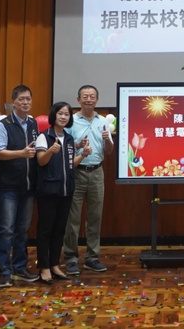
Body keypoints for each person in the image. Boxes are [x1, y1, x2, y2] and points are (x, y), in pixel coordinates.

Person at [0, 84, 40, 287]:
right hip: (8, 187)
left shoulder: (33, 123)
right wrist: (21, 153)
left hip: (29, 186)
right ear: (13, 102)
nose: (25, 102)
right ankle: (4, 271)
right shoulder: (3, 125)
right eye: (21, 99)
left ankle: (20, 268)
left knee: (23, 230)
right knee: (6, 230)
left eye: (28, 99)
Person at [37, 102, 90, 283]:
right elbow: (41, 161)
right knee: (46, 230)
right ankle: (44, 267)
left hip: (66, 190)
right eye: (60, 113)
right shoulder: (44, 137)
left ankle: (54, 264)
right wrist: (50, 151)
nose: (63, 117)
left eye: (67, 114)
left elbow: (71, 164)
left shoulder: (68, 138)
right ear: (53, 115)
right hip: (48, 190)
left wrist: (83, 154)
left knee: (59, 230)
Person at [63, 84, 113, 275]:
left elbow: (109, 151)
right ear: (78, 100)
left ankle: (92, 258)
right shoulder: (71, 121)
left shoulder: (103, 121)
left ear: (97, 100)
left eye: (92, 96)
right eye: (85, 96)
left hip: (97, 172)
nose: (89, 99)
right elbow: (67, 148)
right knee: (73, 218)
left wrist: (107, 139)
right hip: (76, 172)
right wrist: (79, 147)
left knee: (95, 217)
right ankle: (71, 258)